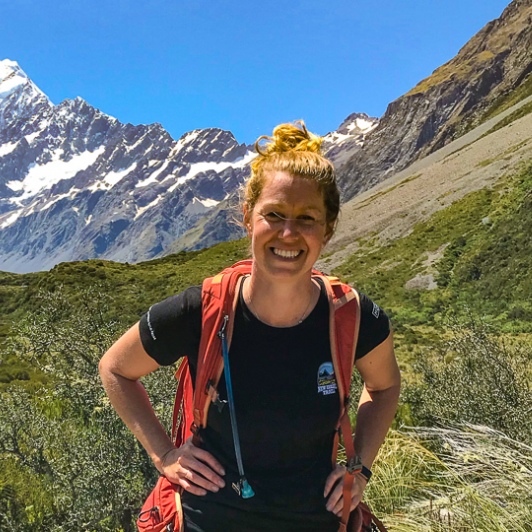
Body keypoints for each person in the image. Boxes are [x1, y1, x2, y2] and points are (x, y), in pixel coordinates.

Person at [99, 121, 401, 532]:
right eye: (273, 214)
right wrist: (164, 456)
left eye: (307, 218)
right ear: (247, 217)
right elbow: (115, 368)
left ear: (328, 229)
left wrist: (360, 469)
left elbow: (384, 387)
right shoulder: (202, 310)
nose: (288, 233)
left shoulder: (350, 315)